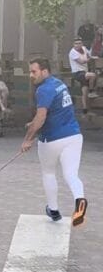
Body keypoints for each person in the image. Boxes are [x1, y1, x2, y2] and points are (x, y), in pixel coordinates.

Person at [21, 57, 87, 227]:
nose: (31, 75)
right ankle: (80, 200)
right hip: (73, 136)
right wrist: (33, 123)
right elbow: (54, 112)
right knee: (71, 174)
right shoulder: (60, 84)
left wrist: (27, 140)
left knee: (49, 173)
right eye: (30, 71)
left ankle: (54, 210)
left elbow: (41, 117)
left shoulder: (43, 90)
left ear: (44, 71)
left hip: (51, 140)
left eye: (34, 71)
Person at [69, 37, 97, 116]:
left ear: (82, 44)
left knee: (85, 92)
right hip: (77, 73)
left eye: (79, 43)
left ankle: (85, 110)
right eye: (76, 43)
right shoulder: (72, 52)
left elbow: (89, 55)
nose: (78, 45)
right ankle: (92, 91)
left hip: (84, 72)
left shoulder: (84, 49)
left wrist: (92, 57)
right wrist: (89, 59)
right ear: (73, 44)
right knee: (93, 75)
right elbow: (81, 62)